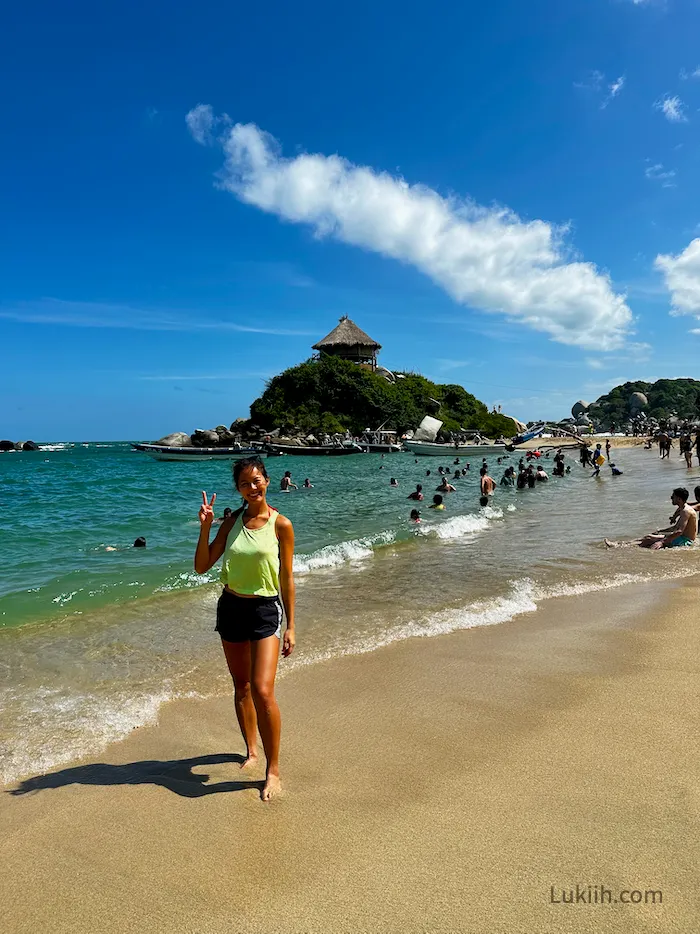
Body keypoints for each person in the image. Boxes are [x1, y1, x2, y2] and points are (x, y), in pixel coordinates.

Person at [194, 458, 295, 801]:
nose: (252, 488)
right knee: (242, 686)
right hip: (231, 607)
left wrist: (292, 625)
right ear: (237, 488)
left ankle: (273, 769)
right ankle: (251, 751)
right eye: (244, 483)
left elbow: (286, 579)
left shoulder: (281, 525)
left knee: (264, 692)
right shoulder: (231, 522)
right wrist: (206, 527)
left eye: (256, 481)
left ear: (267, 480)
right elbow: (202, 566)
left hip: (265, 610)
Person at [605, 487, 698, 549]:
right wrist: (660, 532)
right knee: (648, 537)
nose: (671, 499)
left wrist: (662, 542)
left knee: (648, 540)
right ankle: (620, 544)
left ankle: (619, 547)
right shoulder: (682, 509)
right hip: (681, 537)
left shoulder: (686, 511)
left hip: (685, 541)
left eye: (672, 497)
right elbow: (675, 528)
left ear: (679, 499)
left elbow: (679, 531)